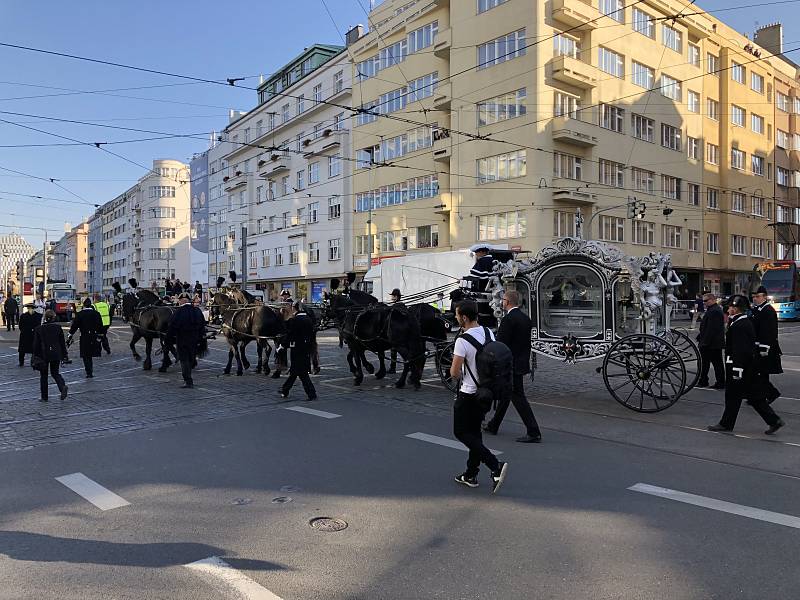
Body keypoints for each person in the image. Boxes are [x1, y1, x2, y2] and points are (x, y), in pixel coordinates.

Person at [449, 300, 508, 493]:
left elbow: (454, 372)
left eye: (457, 315)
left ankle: (495, 465)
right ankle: (470, 473)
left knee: (461, 432)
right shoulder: (488, 332)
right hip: (487, 392)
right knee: (474, 433)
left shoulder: (462, 341)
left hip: (468, 393)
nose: (456, 318)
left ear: (464, 317)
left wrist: (458, 370)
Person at [708, 295, 784, 435]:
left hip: (740, 367)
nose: (728, 309)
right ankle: (774, 420)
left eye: (730, 307)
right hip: (747, 367)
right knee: (754, 397)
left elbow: (740, 350)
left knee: (733, 396)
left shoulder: (740, 325)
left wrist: (737, 369)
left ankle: (726, 424)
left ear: (736, 309)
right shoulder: (740, 322)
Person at [483, 290, 542, 443]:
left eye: (503, 300)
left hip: (510, 364)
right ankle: (493, 425)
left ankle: (533, 430)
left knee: (517, 396)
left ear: (507, 302)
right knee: (506, 395)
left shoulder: (508, 319)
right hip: (521, 361)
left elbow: (501, 344)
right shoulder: (525, 318)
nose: (501, 302)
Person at [279, 302, 318, 401]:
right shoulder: (308, 319)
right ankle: (285, 390)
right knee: (295, 372)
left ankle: (311, 393)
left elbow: (290, 335)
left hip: (296, 349)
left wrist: (282, 345)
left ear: (294, 309)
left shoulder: (295, 320)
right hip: (306, 348)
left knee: (302, 373)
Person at [166, 292, 206, 388]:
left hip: (182, 339)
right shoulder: (197, 311)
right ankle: (189, 376)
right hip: (195, 339)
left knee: (184, 360)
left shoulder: (178, 312)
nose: (178, 302)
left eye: (179, 300)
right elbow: (202, 326)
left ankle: (188, 381)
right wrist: (201, 338)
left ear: (182, 300)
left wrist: (168, 340)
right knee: (191, 357)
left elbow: (172, 327)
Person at [751, 285, 782, 403]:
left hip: (765, 347)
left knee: (761, 373)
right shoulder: (758, 309)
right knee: (758, 373)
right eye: (754, 296)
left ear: (764, 297)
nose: (755, 298)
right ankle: (761, 395)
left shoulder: (768, 311)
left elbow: (769, 331)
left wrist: (764, 347)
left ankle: (769, 394)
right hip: (758, 346)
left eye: (757, 296)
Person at [32, 310, 69, 402]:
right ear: (54, 318)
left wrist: (35, 356)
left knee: (44, 376)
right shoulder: (58, 328)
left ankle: (44, 397)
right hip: (56, 353)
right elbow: (62, 343)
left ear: (45, 318)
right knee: (55, 373)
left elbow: (36, 345)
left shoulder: (39, 329)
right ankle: (62, 386)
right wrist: (64, 355)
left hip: (43, 354)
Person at [696, 292, 725, 389]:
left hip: (713, 343)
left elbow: (712, 329)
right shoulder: (712, 310)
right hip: (711, 342)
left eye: (706, 301)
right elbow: (707, 327)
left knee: (716, 364)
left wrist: (704, 342)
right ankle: (704, 380)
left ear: (713, 300)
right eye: (703, 301)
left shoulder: (715, 311)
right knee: (706, 363)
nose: (704, 303)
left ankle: (720, 382)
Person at [68, 298, 103, 378]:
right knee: (91, 354)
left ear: (84, 305)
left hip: (84, 336)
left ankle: (89, 372)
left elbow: (75, 326)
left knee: (86, 355)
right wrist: (100, 335)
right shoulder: (96, 313)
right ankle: (90, 370)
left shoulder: (80, 314)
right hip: (94, 336)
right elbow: (100, 326)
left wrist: (70, 334)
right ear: (90, 304)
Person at [17, 303, 42, 367]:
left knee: (34, 349)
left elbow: (39, 326)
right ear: (27, 309)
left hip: (34, 335)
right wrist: (24, 331)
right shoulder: (23, 316)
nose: (30, 309)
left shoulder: (38, 316)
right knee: (22, 350)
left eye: (31, 308)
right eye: (29, 308)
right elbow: (20, 326)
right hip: (25, 335)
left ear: (34, 309)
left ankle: (34, 362)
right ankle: (21, 362)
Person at [388, 288, 403, 374]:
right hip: (399, 331)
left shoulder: (396, 306)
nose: (392, 298)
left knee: (394, 350)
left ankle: (392, 368)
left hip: (397, 333)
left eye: (393, 296)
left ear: (396, 297)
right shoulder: (400, 305)